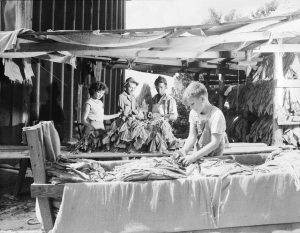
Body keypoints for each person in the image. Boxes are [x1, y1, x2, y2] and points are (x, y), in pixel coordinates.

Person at [178, 82, 226, 167]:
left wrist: (193, 156)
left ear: (202, 99)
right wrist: (183, 151)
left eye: (192, 104)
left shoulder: (217, 115)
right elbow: (192, 137)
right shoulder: (193, 113)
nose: (191, 108)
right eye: (190, 105)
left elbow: (215, 143)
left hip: (214, 161)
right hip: (197, 159)